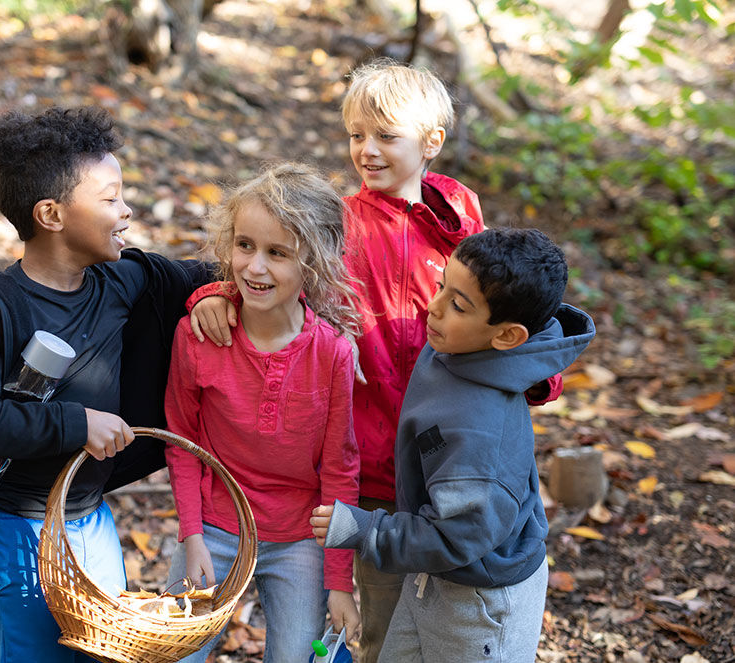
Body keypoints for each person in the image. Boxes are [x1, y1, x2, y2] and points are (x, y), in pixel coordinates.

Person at [187, 58, 564, 661]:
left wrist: (533, 371)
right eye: (356, 134)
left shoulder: (459, 214)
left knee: (445, 596)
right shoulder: (341, 220)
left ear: (431, 141)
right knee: (382, 616)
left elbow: (506, 296)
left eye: (386, 136)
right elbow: (274, 270)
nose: (367, 150)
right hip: (372, 463)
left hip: (452, 451)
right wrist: (215, 293)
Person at [0, 106, 214, 663]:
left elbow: (201, 277)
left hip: (89, 516)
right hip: (16, 525)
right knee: (40, 653)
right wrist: (76, 423)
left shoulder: (118, 280)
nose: (126, 211)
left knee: (104, 650)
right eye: (110, 199)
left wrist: (212, 299)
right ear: (52, 214)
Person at [310, 227, 596, 663]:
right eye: (441, 285)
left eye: (458, 304)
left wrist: (365, 530)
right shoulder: (461, 344)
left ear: (507, 336)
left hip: (479, 602)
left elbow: (456, 535)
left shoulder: (480, 436)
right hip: (432, 573)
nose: (434, 305)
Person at [163, 163, 363, 663]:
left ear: (313, 263)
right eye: (245, 245)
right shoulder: (199, 336)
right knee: (174, 653)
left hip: (298, 537)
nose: (254, 267)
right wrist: (191, 537)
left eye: (277, 253)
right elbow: (183, 441)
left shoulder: (333, 354)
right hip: (214, 524)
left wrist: (339, 582)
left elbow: (339, 470)